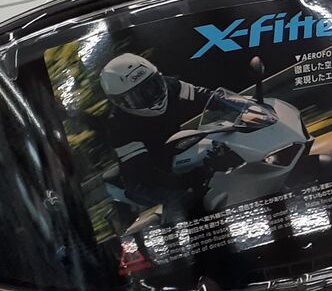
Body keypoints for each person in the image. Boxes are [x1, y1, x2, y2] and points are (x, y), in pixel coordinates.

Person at [99, 53, 241, 213]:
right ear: (119, 102)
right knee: (186, 200)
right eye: (138, 96)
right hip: (144, 178)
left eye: (153, 85)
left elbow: (207, 97)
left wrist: (242, 106)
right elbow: (145, 173)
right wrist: (192, 178)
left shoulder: (170, 85)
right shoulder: (119, 125)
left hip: (172, 151)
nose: (152, 95)